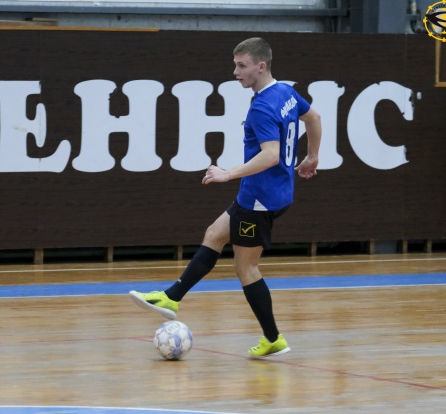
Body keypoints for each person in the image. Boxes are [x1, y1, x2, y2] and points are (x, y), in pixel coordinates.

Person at [129, 37, 321, 358]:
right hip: (274, 192)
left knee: (246, 268)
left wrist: (227, 173)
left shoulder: (262, 106)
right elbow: (314, 118)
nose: (235, 72)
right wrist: (312, 157)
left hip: (259, 199)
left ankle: (273, 338)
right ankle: (172, 296)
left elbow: (271, 155)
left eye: (242, 65)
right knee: (215, 234)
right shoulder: (285, 92)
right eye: (235, 65)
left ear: (261, 66)